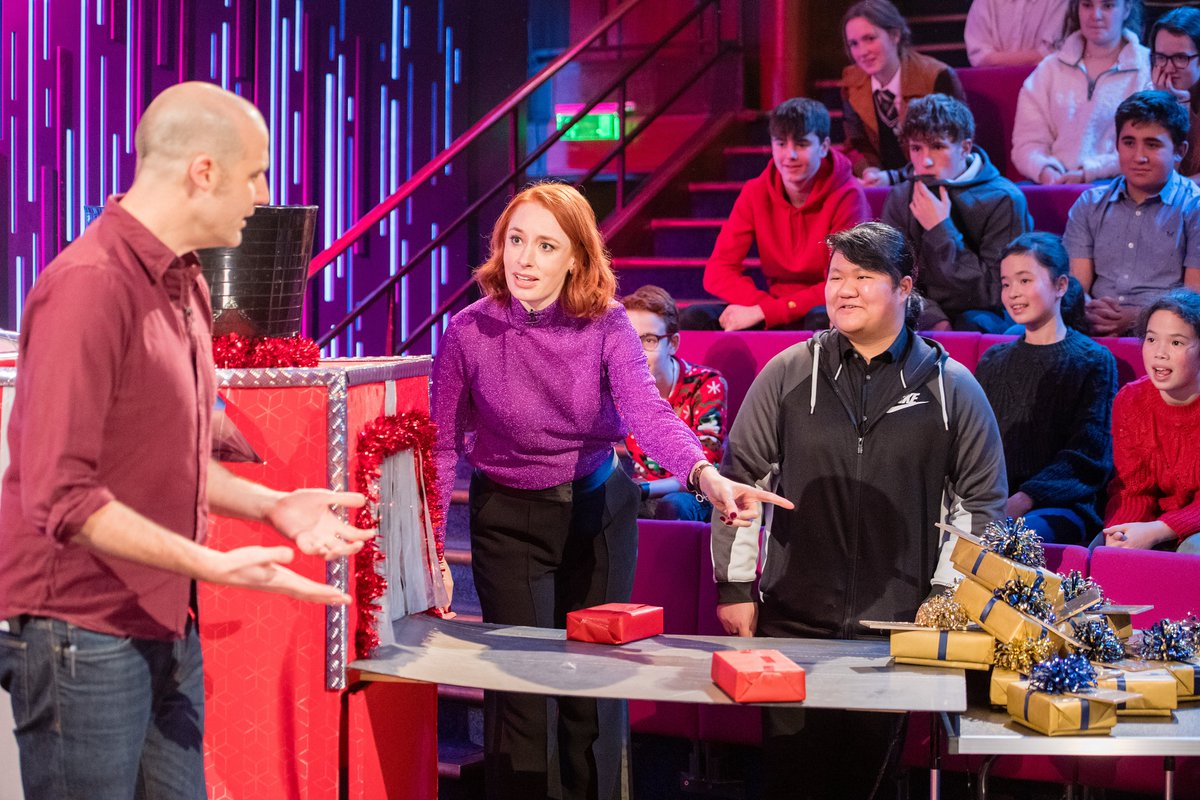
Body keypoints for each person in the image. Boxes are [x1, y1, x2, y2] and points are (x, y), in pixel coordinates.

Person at [0, 82, 375, 800]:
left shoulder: (188, 284)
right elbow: (61, 496)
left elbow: (172, 459)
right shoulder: (88, 285)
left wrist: (273, 507)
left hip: (164, 616)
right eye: (255, 174)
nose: (263, 197)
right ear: (203, 171)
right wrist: (214, 564)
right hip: (78, 627)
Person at [430, 182, 791, 800]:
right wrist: (434, 547)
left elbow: (646, 411)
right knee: (522, 694)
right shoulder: (468, 331)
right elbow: (440, 445)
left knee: (591, 689)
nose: (524, 259)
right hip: (509, 517)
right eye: (516, 240)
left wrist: (704, 475)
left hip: (598, 508)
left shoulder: (607, 322)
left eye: (546, 246)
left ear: (576, 257)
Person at [712, 221, 1007, 799]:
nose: (843, 289)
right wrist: (735, 586)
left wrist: (944, 602)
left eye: (863, 276)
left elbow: (980, 505)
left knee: (870, 785)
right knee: (792, 783)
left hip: (897, 631)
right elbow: (740, 482)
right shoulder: (789, 372)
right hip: (792, 626)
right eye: (835, 276)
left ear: (904, 287)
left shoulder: (953, 387)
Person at [975, 233, 1117, 544]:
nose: (1013, 293)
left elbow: (1088, 456)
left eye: (1025, 280)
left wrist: (1023, 499)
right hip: (996, 500)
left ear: (1060, 285)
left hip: (1062, 506)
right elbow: (975, 441)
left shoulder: (1093, 360)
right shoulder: (993, 359)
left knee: (1013, 538)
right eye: (1006, 284)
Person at [682, 97, 869, 331]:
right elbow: (718, 271)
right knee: (694, 317)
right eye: (781, 144)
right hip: (772, 304)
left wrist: (769, 312)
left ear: (823, 147)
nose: (790, 155)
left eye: (801, 144)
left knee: (821, 319)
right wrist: (765, 308)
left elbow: (845, 280)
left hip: (823, 306)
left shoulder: (848, 195)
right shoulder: (755, 191)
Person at [881, 93, 1033, 332]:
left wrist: (941, 230)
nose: (925, 161)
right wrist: (932, 317)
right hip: (922, 312)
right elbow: (891, 277)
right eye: (916, 148)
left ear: (965, 148)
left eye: (937, 147)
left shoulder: (1004, 199)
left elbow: (996, 290)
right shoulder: (901, 197)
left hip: (982, 315)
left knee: (972, 324)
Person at [1066, 90, 1200, 336]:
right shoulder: (1089, 204)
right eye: (1129, 143)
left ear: (1179, 151)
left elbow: (1194, 301)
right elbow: (1077, 288)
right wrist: (1088, 311)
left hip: (1169, 331)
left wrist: (1135, 318)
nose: (1139, 157)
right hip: (1091, 326)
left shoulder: (1195, 207)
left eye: (1152, 144)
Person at [1097, 288, 1200, 553]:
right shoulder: (1131, 400)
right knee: (1105, 550)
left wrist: (1159, 530)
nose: (1159, 353)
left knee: (1191, 549)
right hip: (1156, 522)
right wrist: (1122, 532)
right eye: (1152, 339)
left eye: (1176, 343)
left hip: (1187, 526)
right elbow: (1133, 489)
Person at [1012, 0, 1150, 184]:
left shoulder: (1147, 68)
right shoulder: (1049, 69)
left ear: (1126, 9)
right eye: (1087, 5)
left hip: (1119, 184)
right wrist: (1046, 170)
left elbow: (1148, 145)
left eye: (1107, 6)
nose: (1096, 15)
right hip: (1055, 183)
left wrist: (1090, 172)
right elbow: (1027, 143)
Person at [620, 286, 728, 521]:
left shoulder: (705, 384)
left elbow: (705, 468)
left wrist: (642, 489)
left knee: (673, 506)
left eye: (649, 340)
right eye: (628, 340)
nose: (636, 352)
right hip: (642, 490)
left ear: (673, 343)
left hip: (695, 493)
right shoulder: (619, 385)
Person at [840, 0, 967, 187]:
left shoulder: (937, 76)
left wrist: (894, 177)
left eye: (870, 38)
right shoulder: (851, 83)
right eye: (854, 43)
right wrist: (869, 171)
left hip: (935, 184)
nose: (862, 52)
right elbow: (856, 143)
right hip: (881, 184)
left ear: (895, 35)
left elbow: (951, 147)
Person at [1149, 7, 1200, 181]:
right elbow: (1162, 172)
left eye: (1180, 58)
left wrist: (1177, 191)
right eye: (1161, 57)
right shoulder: (1151, 92)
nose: (1169, 68)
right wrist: (1169, 105)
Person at [964, 0, 1070, 66]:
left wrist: (996, 59)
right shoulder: (984, 2)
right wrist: (1035, 57)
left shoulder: (1060, 2)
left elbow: (1053, 55)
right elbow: (980, 57)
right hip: (991, 85)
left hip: (1044, 86)